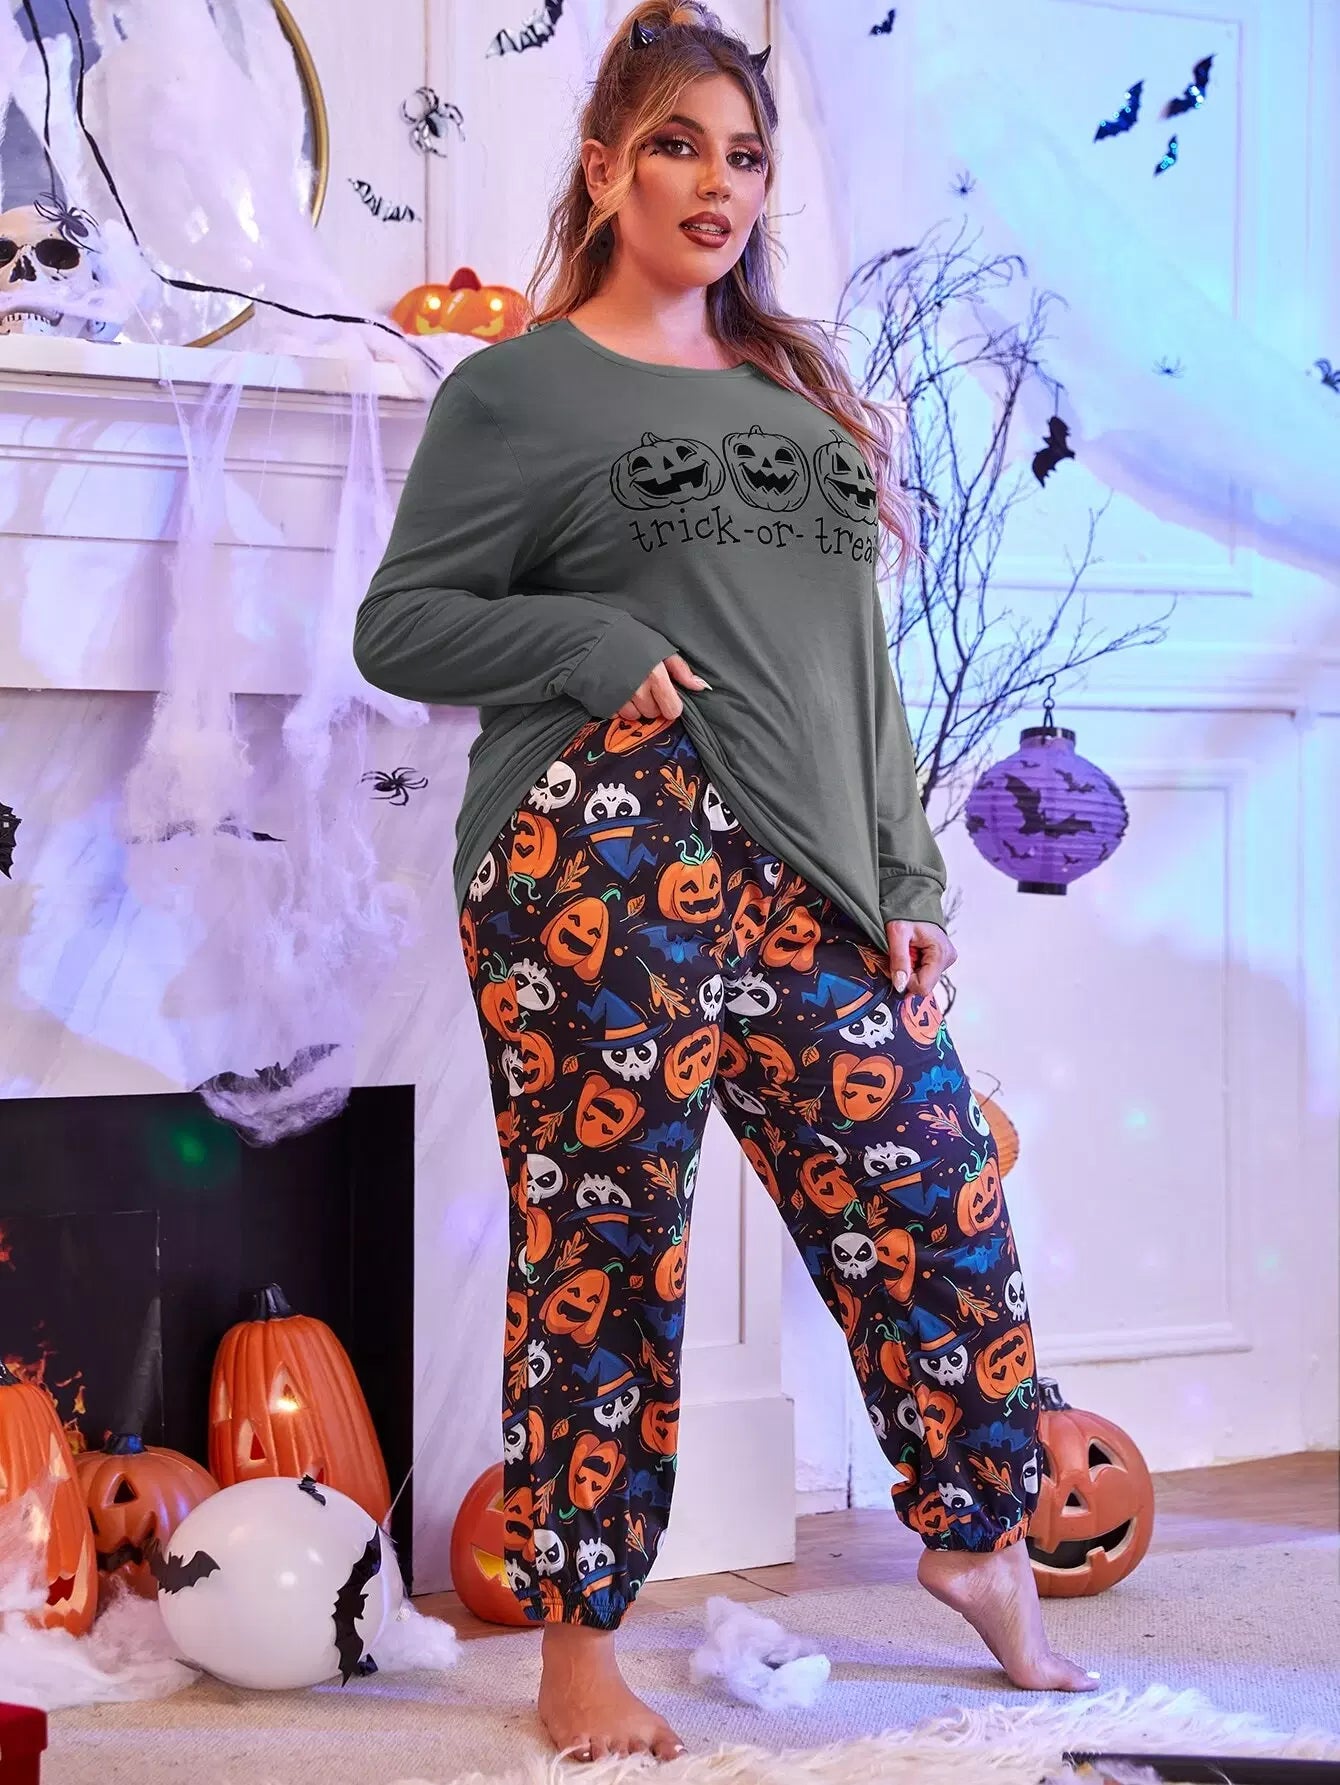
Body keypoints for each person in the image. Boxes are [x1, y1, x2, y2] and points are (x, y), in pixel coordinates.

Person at [353, 1, 1099, 1763]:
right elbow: (401, 625)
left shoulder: (794, 393)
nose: (717, 183)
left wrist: (907, 870)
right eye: (678, 145)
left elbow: (857, 666)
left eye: (745, 154)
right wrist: (586, 639)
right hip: (600, 848)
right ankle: (579, 1640)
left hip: (813, 868)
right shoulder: (517, 386)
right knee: (607, 1238)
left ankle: (980, 1537)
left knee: (932, 1189)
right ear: (605, 166)